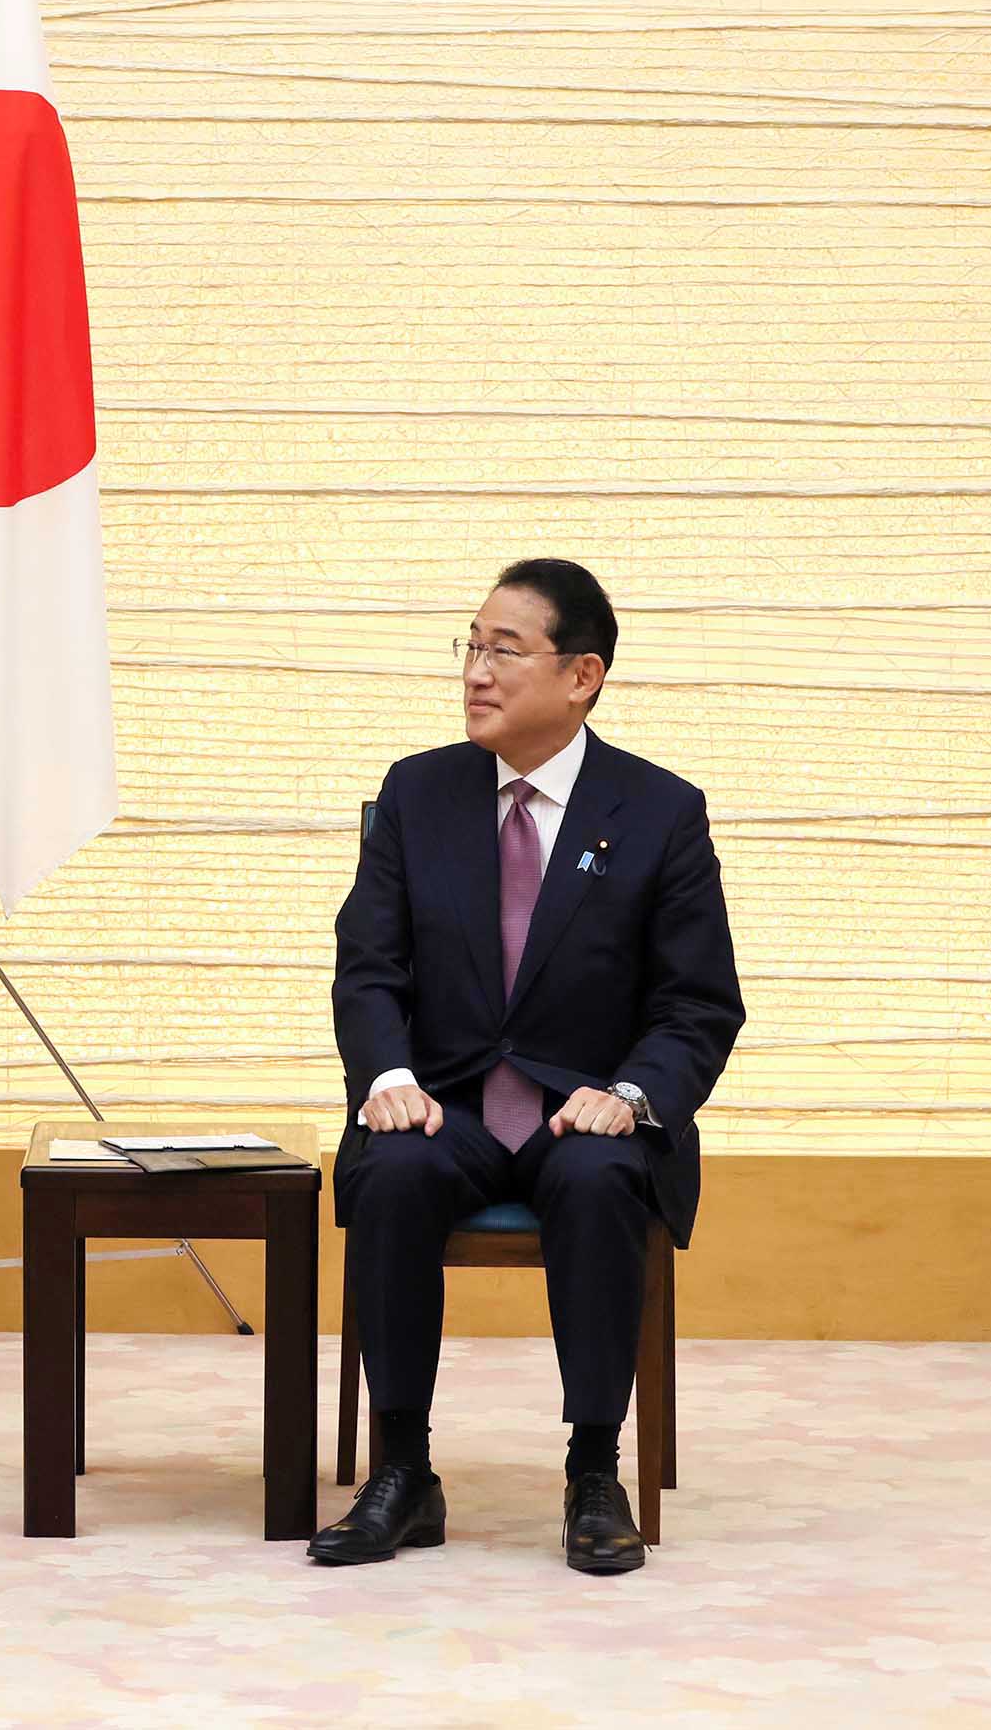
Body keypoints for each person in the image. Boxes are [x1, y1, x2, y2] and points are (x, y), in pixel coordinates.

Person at [316, 558, 745, 1575]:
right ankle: (402, 1471)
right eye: (467, 645)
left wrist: (630, 1095)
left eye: (502, 650)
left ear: (580, 676)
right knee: (394, 1170)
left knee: (600, 1181)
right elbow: (366, 967)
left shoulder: (657, 812)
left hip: (582, 1110)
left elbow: (696, 1002)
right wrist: (386, 1078)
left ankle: (593, 1470)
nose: (474, 671)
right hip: (446, 1105)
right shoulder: (415, 793)